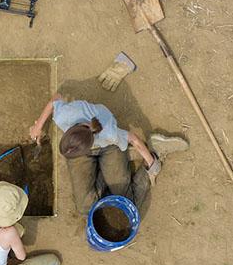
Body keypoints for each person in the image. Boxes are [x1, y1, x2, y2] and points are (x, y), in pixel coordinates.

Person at [28, 92, 188, 216]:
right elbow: (55, 99)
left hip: (110, 147)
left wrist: (152, 164)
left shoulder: (110, 133)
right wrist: (38, 126)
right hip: (81, 145)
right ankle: (110, 170)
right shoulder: (64, 116)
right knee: (84, 208)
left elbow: (135, 140)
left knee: (125, 202)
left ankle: (157, 149)